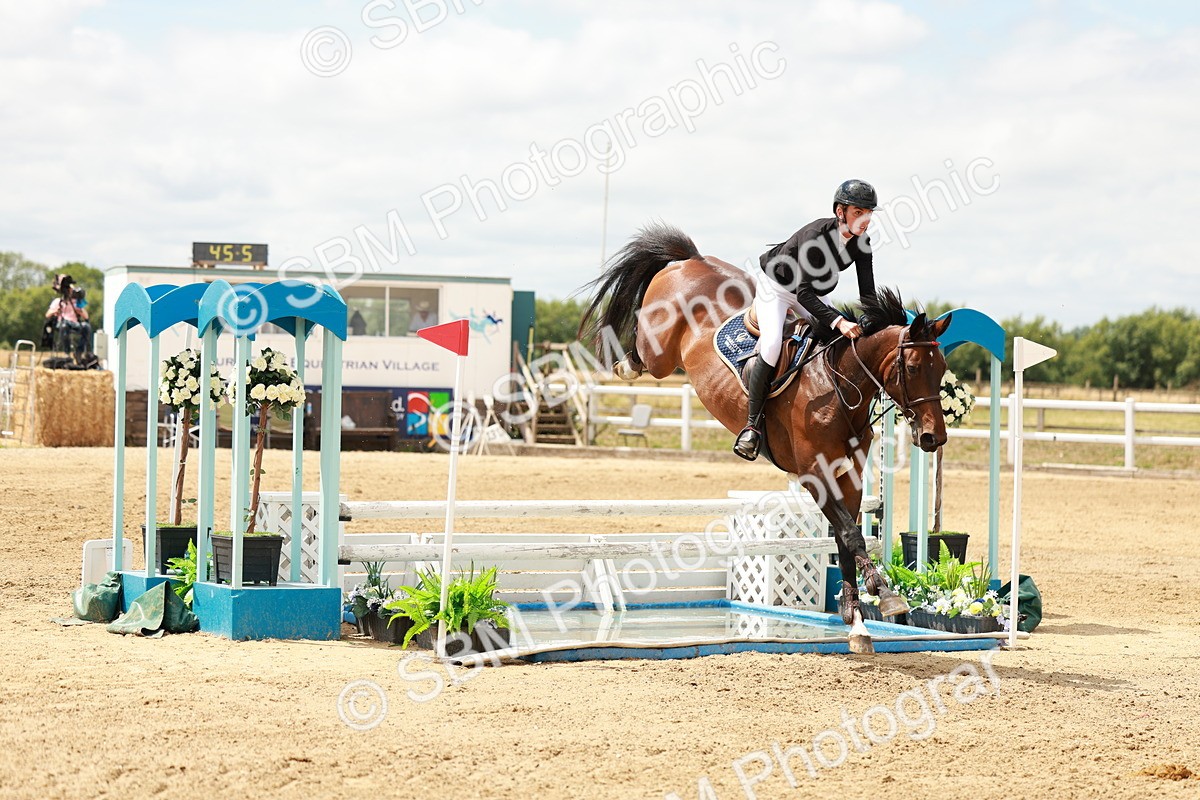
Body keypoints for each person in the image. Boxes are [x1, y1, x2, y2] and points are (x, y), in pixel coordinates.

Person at [733, 178, 881, 461]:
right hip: (777, 288)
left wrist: (875, 324)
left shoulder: (861, 242)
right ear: (841, 212)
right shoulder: (816, 237)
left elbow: (868, 293)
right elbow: (803, 294)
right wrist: (839, 321)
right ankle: (752, 426)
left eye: (869, 213)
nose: (866, 219)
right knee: (773, 343)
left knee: (840, 340)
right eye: (859, 212)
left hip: (811, 293)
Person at [45, 274, 92, 358]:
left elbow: (86, 317)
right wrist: (56, 311)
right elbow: (47, 314)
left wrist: (80, 311)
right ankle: (67, 353)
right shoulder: (58, 301)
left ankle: (79, 352)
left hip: (74, 324)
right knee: (64, 325)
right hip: (62, 323)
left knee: (87, 327)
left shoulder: (76, 303)